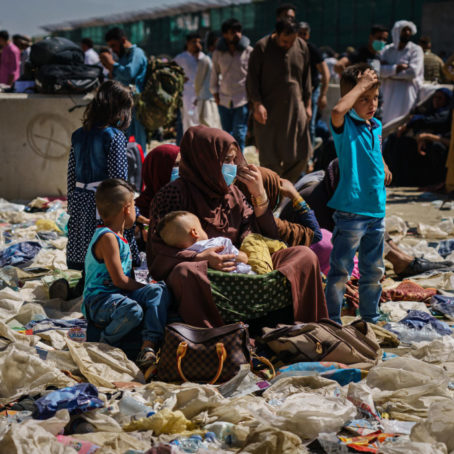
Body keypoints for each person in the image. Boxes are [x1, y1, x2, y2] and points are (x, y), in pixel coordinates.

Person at [147, 125, 328, 328]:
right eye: (226, 160)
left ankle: (304, 329)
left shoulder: (233, 194)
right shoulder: (174, 194)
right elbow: (157, 249)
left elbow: (261, 236)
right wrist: (200, 257)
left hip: (241, 267)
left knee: (304, 256)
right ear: (205, 159)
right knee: (185, 273)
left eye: (234, 159)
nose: (232, 166)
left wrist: (260, 196)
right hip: (209, 275)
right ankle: (214, 338)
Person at [325, 64, 391, 325]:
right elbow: (337, 110)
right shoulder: (345, 125)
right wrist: (360, 86)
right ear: (350, 97)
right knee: (340, 270)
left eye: (374, 97)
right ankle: (332, 319)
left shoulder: (375, 125)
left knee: (373, 271)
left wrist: (384, 165)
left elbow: (374, 152)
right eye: (364, 97)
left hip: (376, 210)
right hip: (351, 212)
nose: (371, 103)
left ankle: (370, 318)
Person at [83, 179, 171, 367]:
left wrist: (148, 288)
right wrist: (142, 287)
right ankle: (103, 346)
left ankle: (148, 346)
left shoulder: (121, 236)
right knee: (133, 310)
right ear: (127, 209)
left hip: (118, 296)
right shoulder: (107, 237)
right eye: (135, 207)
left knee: (159, 290)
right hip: (100, 301)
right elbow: (120, 280)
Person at [67, 81, 145, 273]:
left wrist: (72, 203)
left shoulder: (78, 135)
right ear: (119, 110)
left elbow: (70, 174)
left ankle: (86, 283)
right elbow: (118, 181)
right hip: (104, 202)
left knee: (85, 248)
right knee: (109, 250)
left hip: (80, 200)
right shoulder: (115, 136)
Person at [247, 19, 312, 181]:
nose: (288, 45)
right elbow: (252, 80)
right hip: (268, 109)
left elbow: (307, 79)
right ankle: (273, 190)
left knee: (302, 153)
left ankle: (286, 186)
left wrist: (308, 105)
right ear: (276, 34)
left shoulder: (301, 46)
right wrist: (257, 104)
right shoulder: (261, 47)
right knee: (270, 155)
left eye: (292, 41)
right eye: (284, 41)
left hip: (296, 108)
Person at [384, 87, 453, 187]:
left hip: (440, 146)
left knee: (436, 148)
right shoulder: (430, 111)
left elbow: (428, 122)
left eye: (440, 98)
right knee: (397, 141)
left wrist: (425, 136)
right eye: (435, 98)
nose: (436, 101)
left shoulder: (446, 114)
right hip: (424, 142)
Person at [100, 27, 148, 154]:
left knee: (138, 143)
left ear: (123, 40)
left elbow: (129, 73)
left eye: (114, 45)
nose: (114, 49)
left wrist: (111, 64)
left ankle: (141, 170)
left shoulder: (136, 53)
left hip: (136, 104)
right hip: (123, 105)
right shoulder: (123, 57)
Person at [157, 210, 253, 274]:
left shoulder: (181, 256)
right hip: (242, 277)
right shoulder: (217, 243)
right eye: (201, 228)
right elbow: (243, 258)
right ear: (194, 232)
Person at [210, 18, 253, 152]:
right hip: (224, 99)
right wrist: (215, 94)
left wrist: (253, 98)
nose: (237, 34)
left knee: (239, 133)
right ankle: (229, 163)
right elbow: (214, 74)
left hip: (243, 98)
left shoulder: (249, 51)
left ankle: (240, 164)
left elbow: (253, 76)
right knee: (226, 135)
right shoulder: (218, 53)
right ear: (225, 34)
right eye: (233, 32)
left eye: (239, 31)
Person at [380, 20, 424, 125]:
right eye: (404, 31)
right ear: (397, 32)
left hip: (406, 93)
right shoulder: (387, 50)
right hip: (387, 92)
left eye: (409, 31)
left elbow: (412, 72)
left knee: (401, 123)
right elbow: (378, 70)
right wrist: (397, 68)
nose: (407, 33)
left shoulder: (416, 50)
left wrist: (389, 72)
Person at [298, 22, 331, 146]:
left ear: (308, 36)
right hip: (295, 92)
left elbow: (325, 73)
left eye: (304, 34)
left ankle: (309, 156)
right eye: (299, 33)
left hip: (312, 91)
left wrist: (323, 95)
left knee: (309, 123)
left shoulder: (312, 50)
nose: (301, 36)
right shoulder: (289, 49)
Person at [135, 144, 180, 217]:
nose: (181, 170)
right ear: (158, 169)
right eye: (176, 164)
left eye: (182, 164)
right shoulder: (136, 212)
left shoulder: (188, 200)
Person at [174, 33, 206, 132]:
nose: (197, 44)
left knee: (202, 121)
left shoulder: (203, 58)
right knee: (188, 121)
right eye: (194, 42)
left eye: (199, 42)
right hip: (187, 94)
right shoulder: (181, 58)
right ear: (188, 43)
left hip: (202, 94)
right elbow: (171, 71)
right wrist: (180, 79)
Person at [194, 38, 221, 129]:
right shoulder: (205, 60)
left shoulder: (220, 58)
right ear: (211, 46)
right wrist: (197, 95)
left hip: (215, 99)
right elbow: (198, 81)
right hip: (205, 99)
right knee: (208, 126)